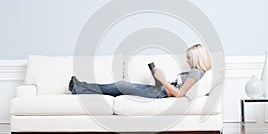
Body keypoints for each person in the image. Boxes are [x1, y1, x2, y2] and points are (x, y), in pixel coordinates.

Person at [69, 44, 212, 98]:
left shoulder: (196, 72)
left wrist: (162, 80)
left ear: (196, 58)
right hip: (160, 89)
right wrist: (159, 78)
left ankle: (79, 87)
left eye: (189, 58)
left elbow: (179, 94)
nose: (187, 61)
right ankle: (80, 87)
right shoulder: (198, 73)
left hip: (159, 93)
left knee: (120, 86)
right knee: (119, 86)